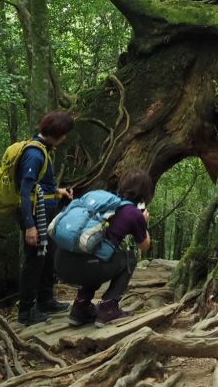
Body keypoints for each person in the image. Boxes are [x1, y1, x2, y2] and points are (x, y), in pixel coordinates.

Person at [55, 169, 154, 327]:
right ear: (145, 193)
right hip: (87, 269)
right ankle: (108, 308)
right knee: (129, 258)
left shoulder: (104, 202)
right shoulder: (133, 213)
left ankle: (80, 308)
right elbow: (144, 246)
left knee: (95, 252)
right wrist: (144, 223)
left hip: (60, 262)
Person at [16, 110, 75, 325]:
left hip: (45, 212)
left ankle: (45, 300)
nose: (65, 138)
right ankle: (26, 311)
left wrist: (58, 191)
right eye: (65, 133)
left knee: (47, 256)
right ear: (57, 133)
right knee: (34, 260)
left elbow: (41, 185)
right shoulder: (35, 154)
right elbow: (24, 191)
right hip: (34, 215)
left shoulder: (44, 150)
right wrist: (30, 226)